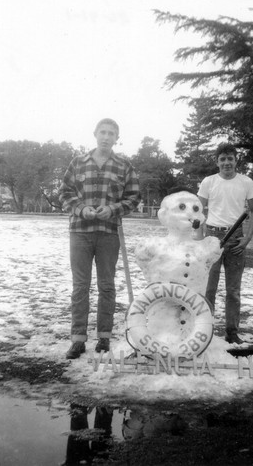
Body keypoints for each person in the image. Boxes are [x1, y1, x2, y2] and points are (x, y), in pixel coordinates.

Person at [59, 118, 141, 359]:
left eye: (111, 134)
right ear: (95, 134)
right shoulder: (78, 162)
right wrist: (81, 209)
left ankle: (104, 337)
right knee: (80, 286)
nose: (106, 137)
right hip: (80, 233)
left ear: (117, 138)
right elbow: (64, 193)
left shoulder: (124, 166)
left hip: (108, 234)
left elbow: (134, 197)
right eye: (103, 132)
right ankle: (78, 340)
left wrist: (114, 209)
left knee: (107, 285)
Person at [197, 143, 253, 344]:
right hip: (212, 238)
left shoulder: (246, 182)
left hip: (236, 238)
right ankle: (205, 330)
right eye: (222, 159)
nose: (226, 163)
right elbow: (197, 210)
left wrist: (247, 238)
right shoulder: (208, 182)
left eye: (230, 158)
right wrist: (199, 240)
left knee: (233, 290)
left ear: (236, 160)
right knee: (209, 289)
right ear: (217, 162)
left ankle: (232, 333)